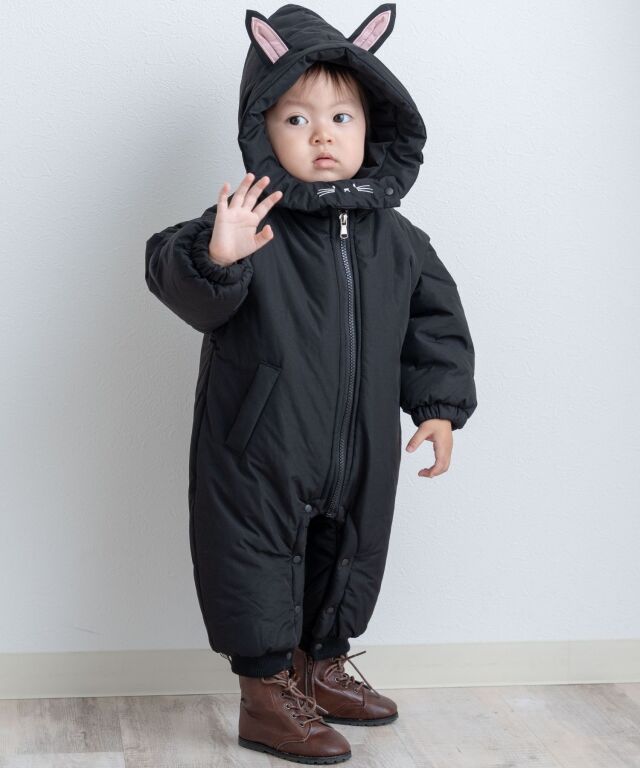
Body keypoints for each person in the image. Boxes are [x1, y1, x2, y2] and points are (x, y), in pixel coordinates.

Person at [145, 3, 477, 763]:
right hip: (259, 443)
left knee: (349, 550)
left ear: (373, 127)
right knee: (255, 557)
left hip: (360, 443)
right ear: (263, 129)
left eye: (340, 117)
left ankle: (318, 669)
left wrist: (438, 407)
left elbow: (435, 322)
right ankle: (265, 695)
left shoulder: (399, 239)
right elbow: (176, 276)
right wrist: (219, 255)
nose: (322, 135)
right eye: (297, 119)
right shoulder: (247, 220)